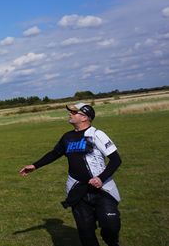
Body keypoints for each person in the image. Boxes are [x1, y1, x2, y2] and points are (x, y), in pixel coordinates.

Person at [19, 103, 122, 246]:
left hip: (102, 189)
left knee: (111, 226)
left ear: (84, 117)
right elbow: (55, 153)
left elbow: (116, 160)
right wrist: (35, 165)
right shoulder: (67, 137)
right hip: (77, 191)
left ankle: (111, 241)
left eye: (74, 112)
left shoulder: (96, 134)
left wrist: (100, 178)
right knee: (86, 233)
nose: (70, 114)